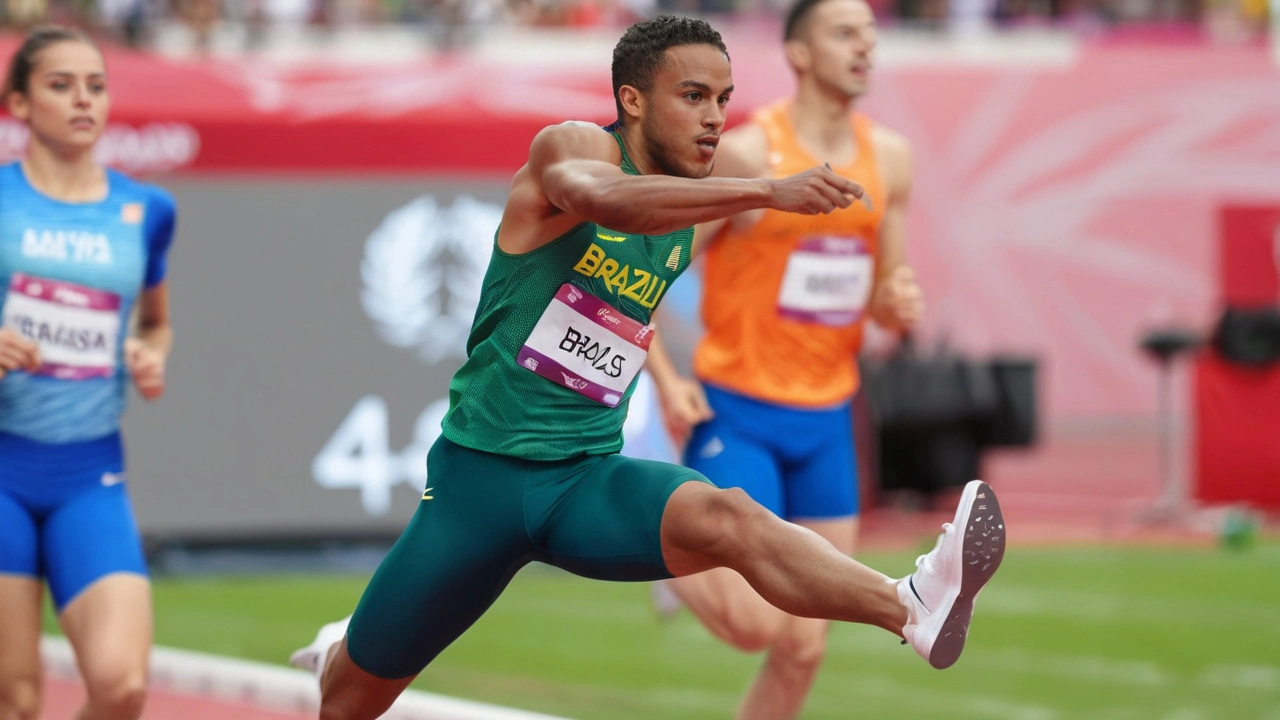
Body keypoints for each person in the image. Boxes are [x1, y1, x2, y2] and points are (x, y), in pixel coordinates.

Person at [290, 16, 1004, 720]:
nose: (715, 118)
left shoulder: (699, 192)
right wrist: (763, 190)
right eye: (693, 96)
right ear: (633, 99)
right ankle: (342, 650)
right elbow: (606, 201)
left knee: (731, 517)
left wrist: (887, 286)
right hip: (481, 483)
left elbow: (673, 299)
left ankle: (911, 605)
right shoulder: (570, 147)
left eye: (724, 100)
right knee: (347, 704)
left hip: (584, 480)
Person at [642, 1, 922, 717]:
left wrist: (898, 301)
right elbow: (647, 276)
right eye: (843, 32)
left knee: (803, 648)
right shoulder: (746, 155)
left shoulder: (888, 157)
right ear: (798, 53)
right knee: (753, 625)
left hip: (828, 418)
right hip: (739, 409)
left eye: (869, 33)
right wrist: (668, 382)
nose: (865, 45)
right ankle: (662, 554)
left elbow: (884, 293)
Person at [0, 26, 177, 720]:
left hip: (89, 475)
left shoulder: (146, 209)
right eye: (60, 85)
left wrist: (150, 354)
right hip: (2, 467)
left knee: (121, 687)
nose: (83, 100)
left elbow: (156, 320)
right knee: (14, 698)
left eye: (96, 86)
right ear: (18, 103)